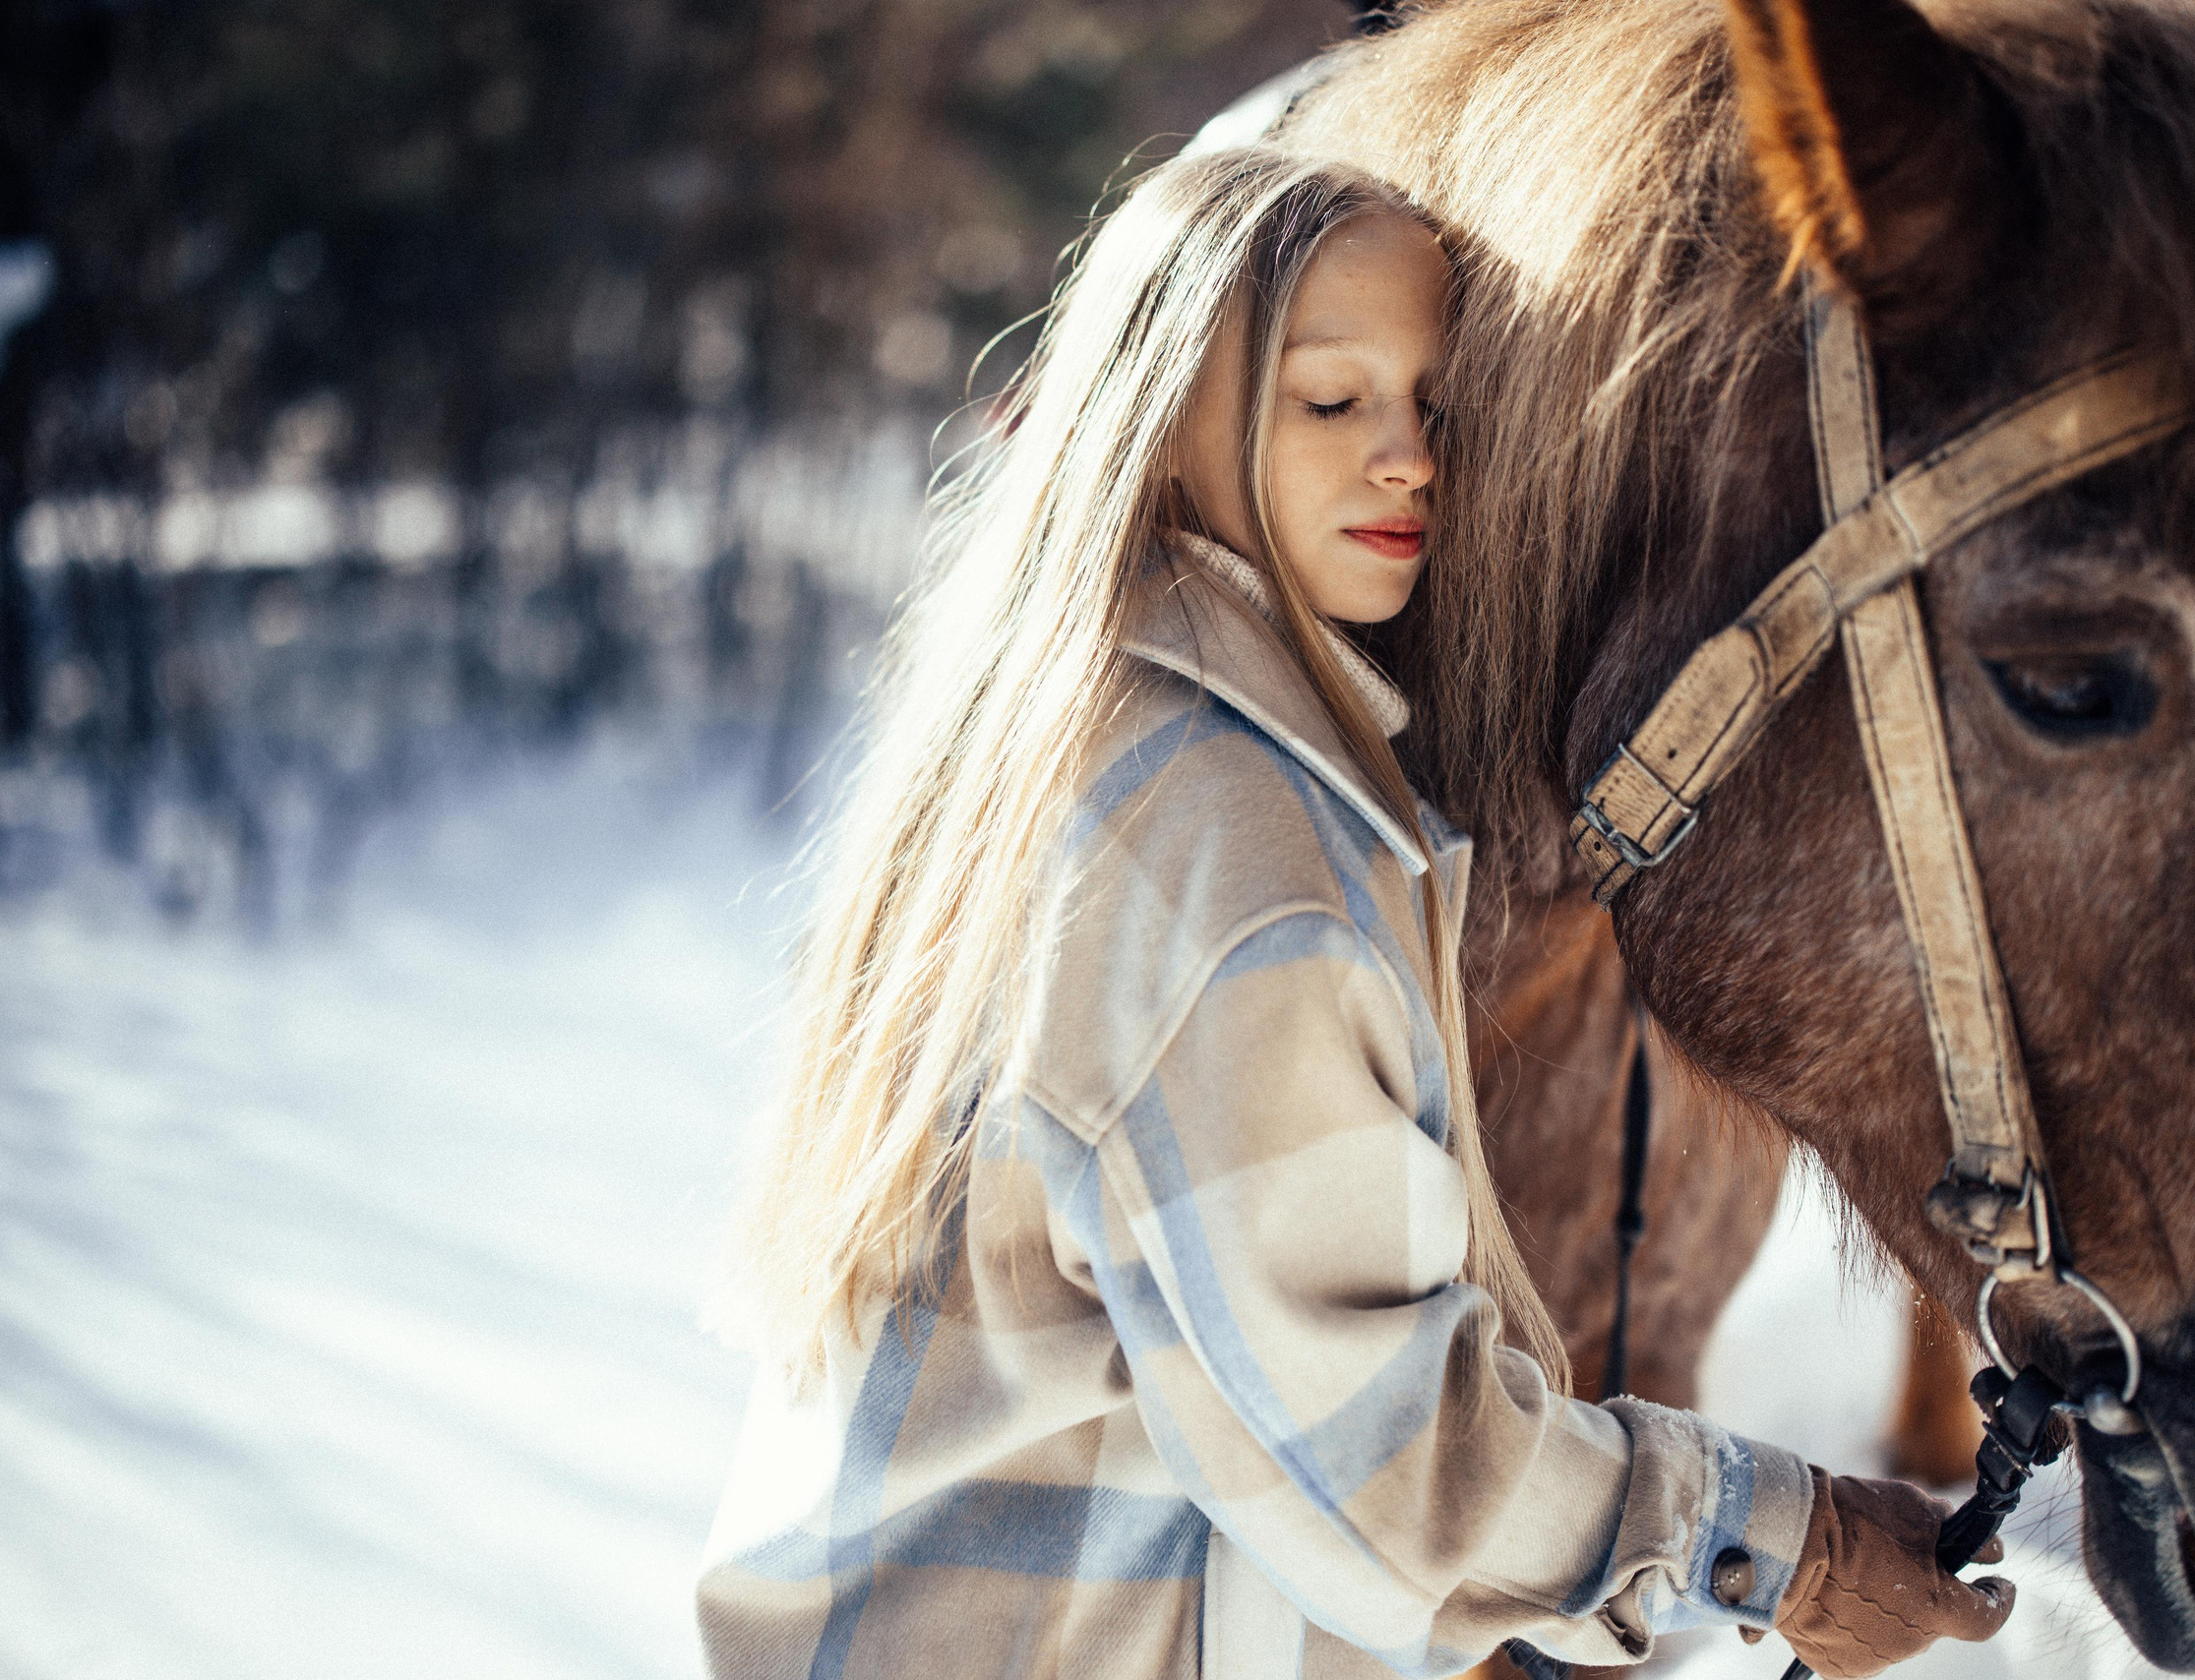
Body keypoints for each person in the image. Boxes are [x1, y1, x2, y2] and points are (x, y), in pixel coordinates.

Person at [698, 146, 2014, 1680]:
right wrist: (1792, 1550)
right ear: (1162, 415)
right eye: (1333, 402)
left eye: (1430, 407)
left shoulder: (1066, 729)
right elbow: (1388, 1455)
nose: (1410, 460)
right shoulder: (1225, 845)